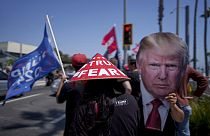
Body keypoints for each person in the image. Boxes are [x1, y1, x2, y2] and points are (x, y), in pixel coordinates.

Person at [136, 32, 188, 135]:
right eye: (154, 65)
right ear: (139, 65)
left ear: (182, 69)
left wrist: (173, 105)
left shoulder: (171, 94)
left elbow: (180, 118)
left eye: (171, 66)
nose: (163, 76)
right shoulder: (132, 94)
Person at [56, 53, 88, 136]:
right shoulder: (93, 83)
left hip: (72, 129)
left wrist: (62, 81)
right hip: (88, 128)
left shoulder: (69, 85)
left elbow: (59, 100)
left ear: (73, 65)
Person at [176, 65, 209, 136]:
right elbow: (204, 80)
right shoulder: (185, 67)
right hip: (182, 104)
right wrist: (195, 95)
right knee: (183, 133)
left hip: (166, 105)